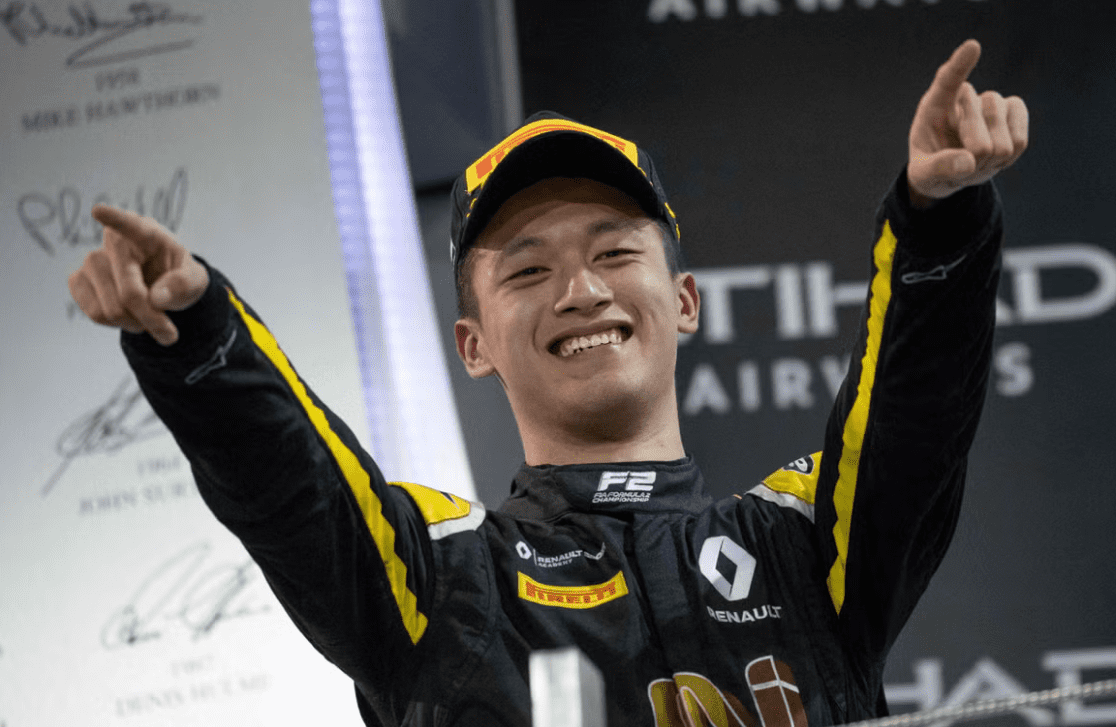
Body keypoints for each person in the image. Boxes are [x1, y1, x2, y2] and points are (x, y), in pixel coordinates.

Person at [69, 39, 1027, 727]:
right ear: (473, 344)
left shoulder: (802, 543)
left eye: (614, 252)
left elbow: (916, 416)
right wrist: (199, 336)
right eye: (527, 270)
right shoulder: (442, 578)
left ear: (683, 301)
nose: (580, 290)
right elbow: (289, 488)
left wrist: (939, 217)